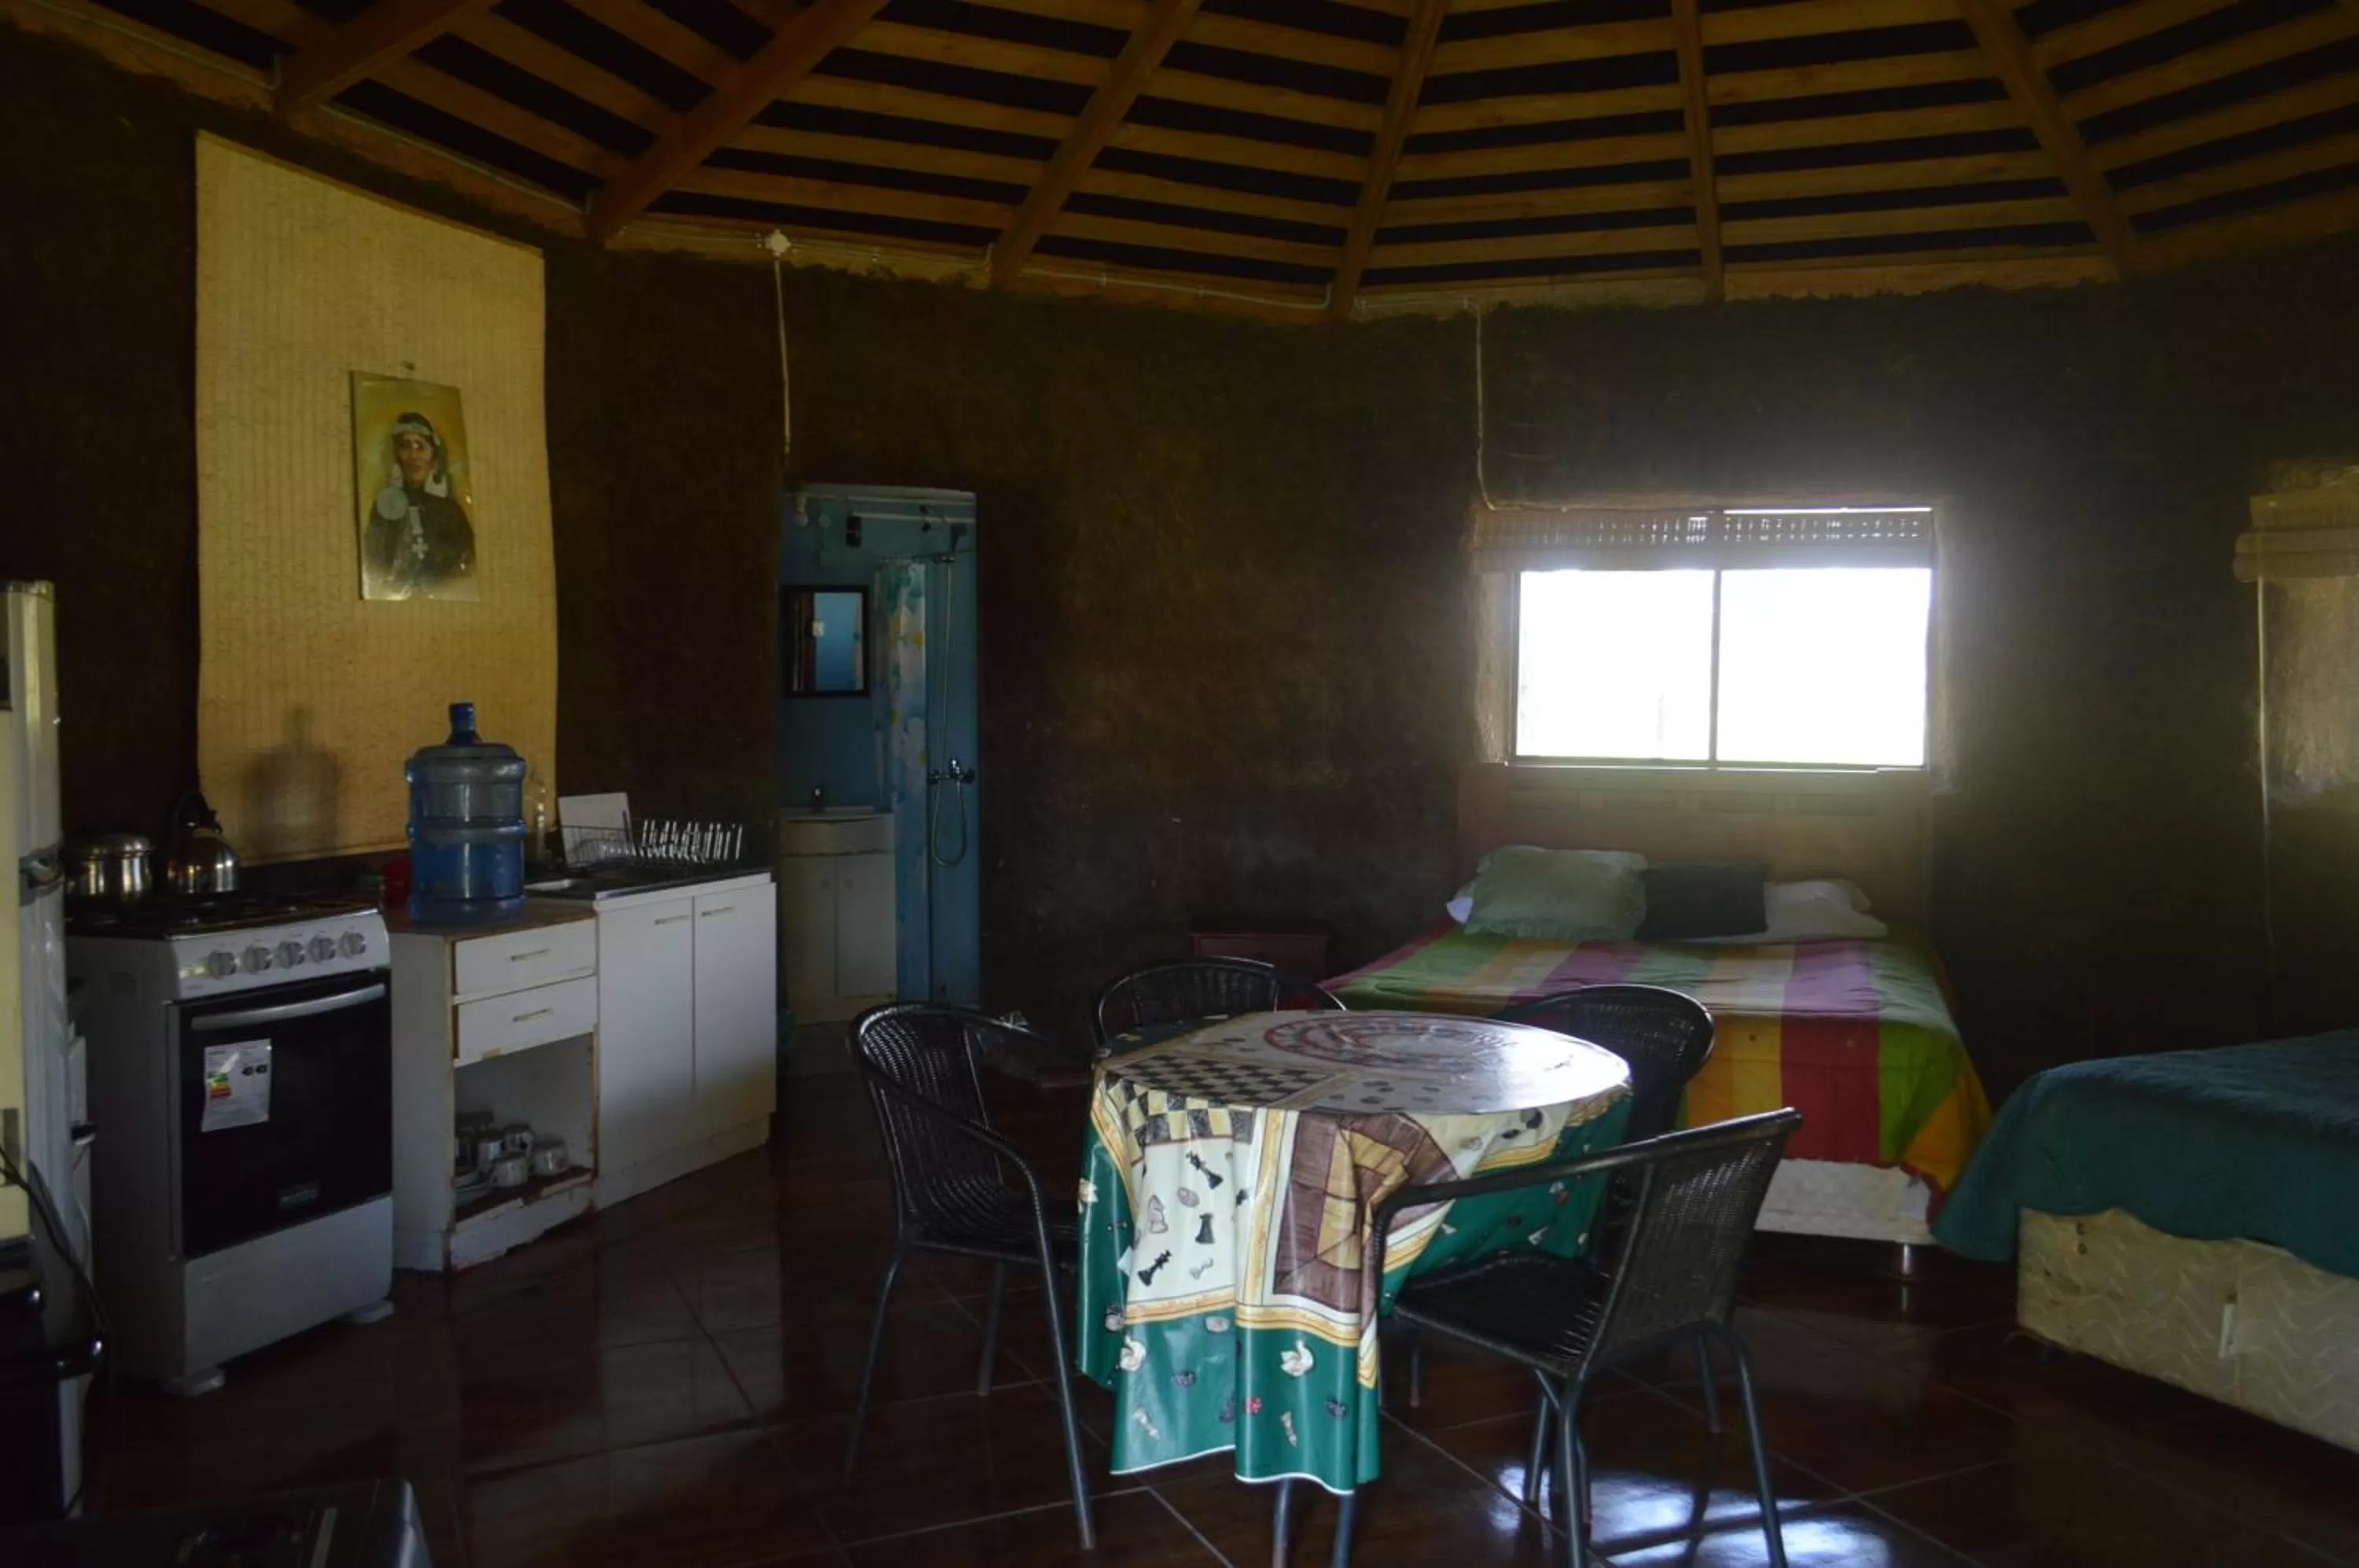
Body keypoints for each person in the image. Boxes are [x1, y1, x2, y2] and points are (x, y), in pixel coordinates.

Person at [364, 410, 476, 598]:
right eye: (405, 446)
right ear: (397, 456)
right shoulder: (385, 508)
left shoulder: (451, 513)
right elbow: (374, 564)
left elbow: (468, 566)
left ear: (433, 456)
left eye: (420, 447)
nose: (413, 456)